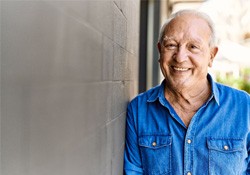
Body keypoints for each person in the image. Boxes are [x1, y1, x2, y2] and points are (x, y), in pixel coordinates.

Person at [124, 9, 250, 175]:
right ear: (159, 51)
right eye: (171, 45)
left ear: (212, 55)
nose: (180, 57)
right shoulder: (138, 111)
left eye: (193, 47)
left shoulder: (244, 107)